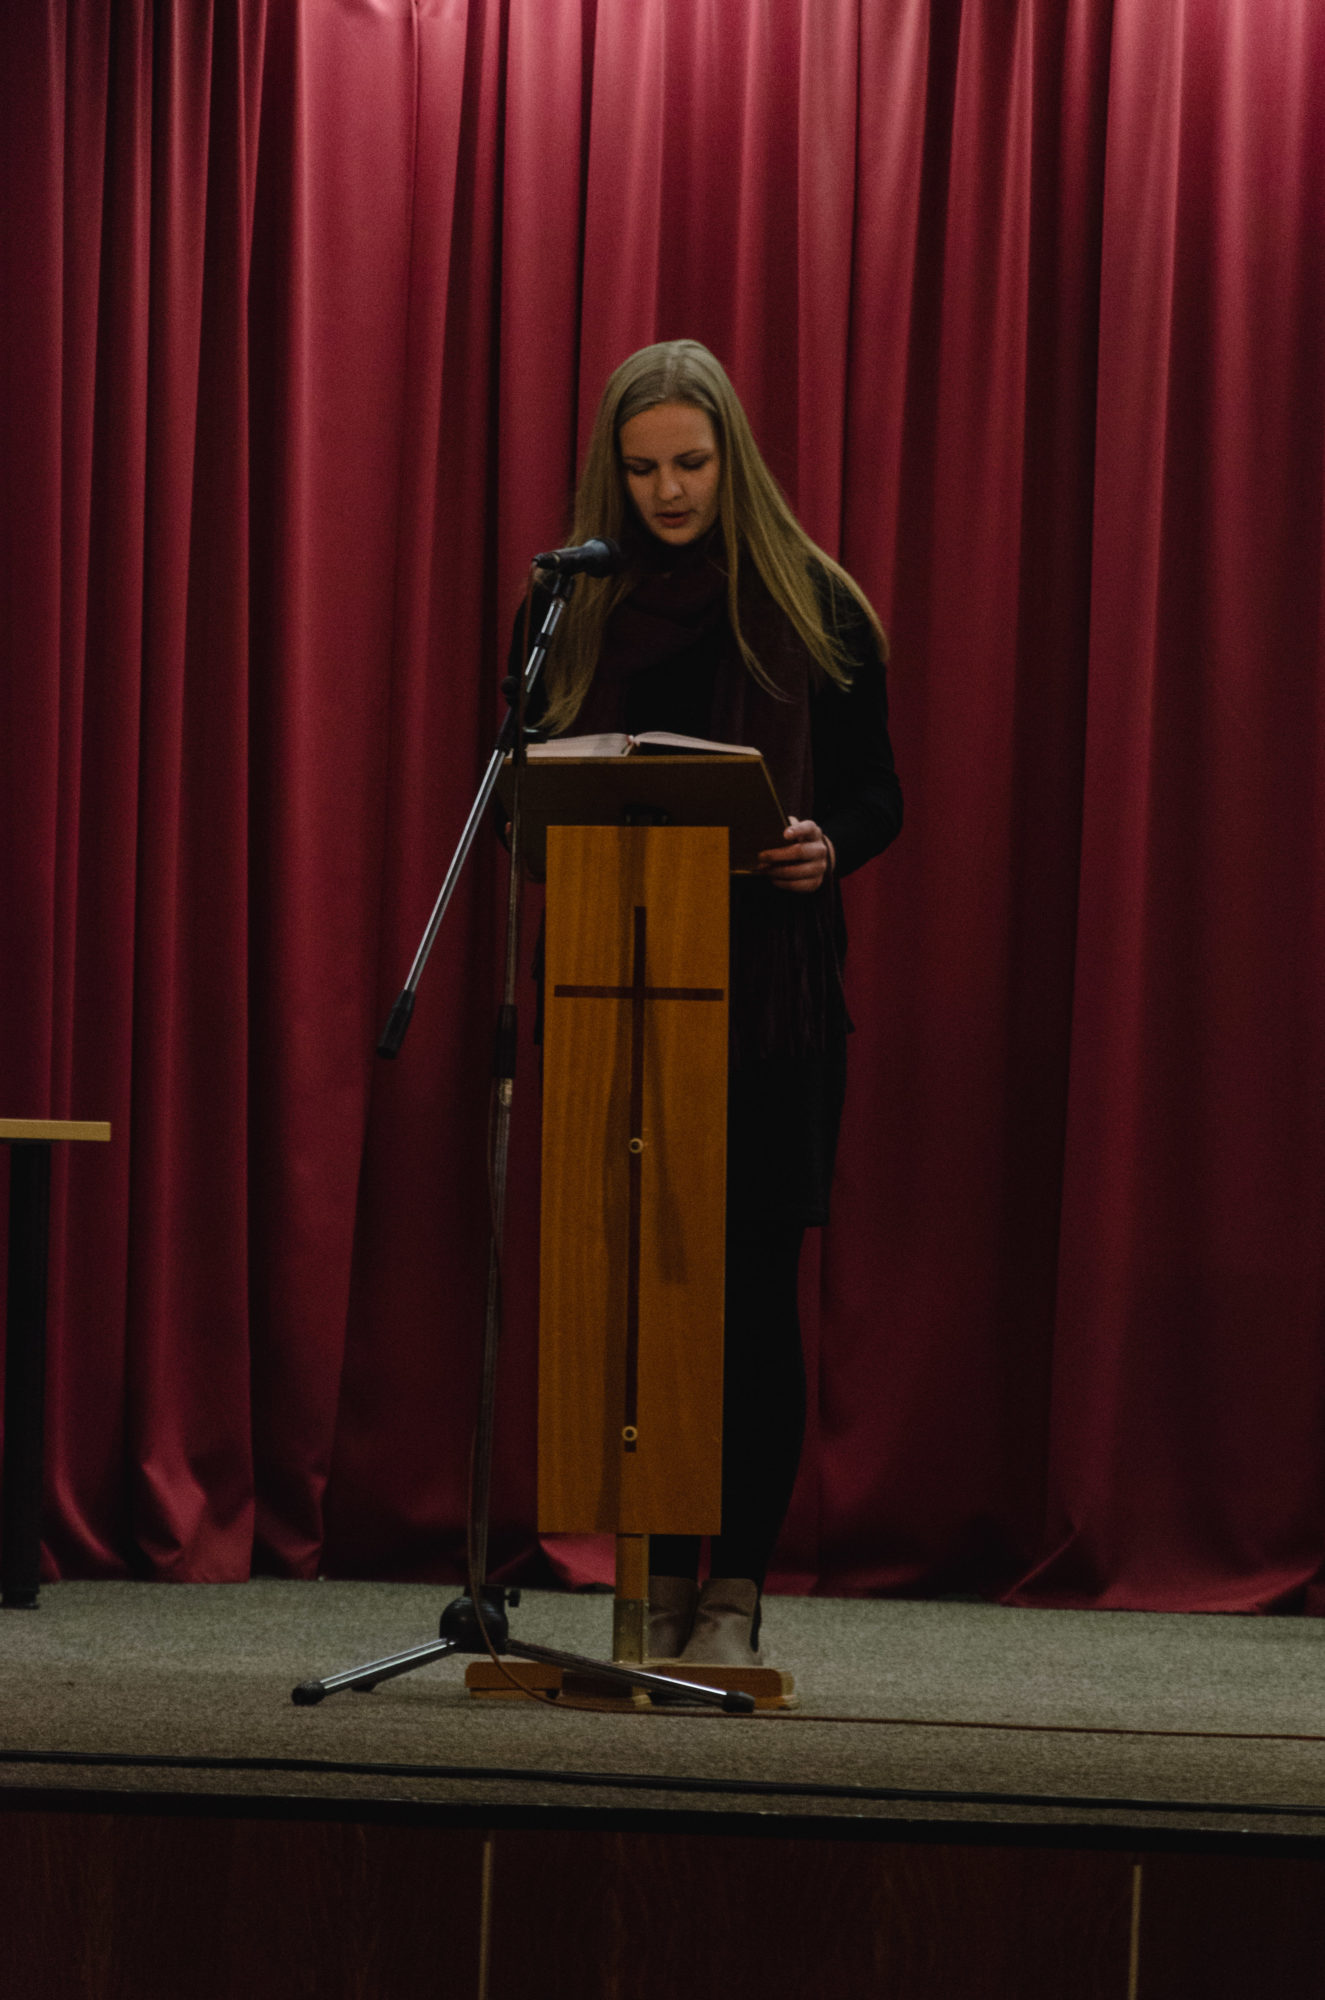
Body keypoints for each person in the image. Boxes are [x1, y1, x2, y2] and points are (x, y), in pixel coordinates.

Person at [521, 339, 902, 1667]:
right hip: (611, 999)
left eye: (690, 463)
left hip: (768, 1010)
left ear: (730, 457)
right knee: (631, 1302)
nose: (669, 491)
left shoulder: (813, 602)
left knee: (741, 1300)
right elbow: (520, 789)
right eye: (642, 470)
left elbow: (876, 795)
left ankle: (728, 1593)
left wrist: (825, 846)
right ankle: (647, 1589)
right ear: (610, 474)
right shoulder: (573, 604)